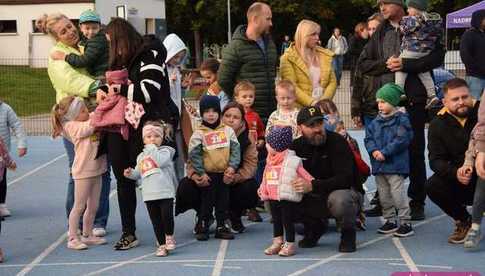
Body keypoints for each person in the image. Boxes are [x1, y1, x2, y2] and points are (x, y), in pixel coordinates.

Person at [358, 0, 445, 220]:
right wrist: (388, 65)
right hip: (386, 100)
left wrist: (406, 65)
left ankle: (417, 201)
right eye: (379, 5)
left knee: (415, 151)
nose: (382, 8)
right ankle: (384, 200)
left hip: (413, 99)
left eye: (386, 3)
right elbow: (364, 63)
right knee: (383, 151)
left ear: (400, 5)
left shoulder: (421, 23)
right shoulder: (381, 30)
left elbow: (437, 58)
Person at [102, 18, 174, 250]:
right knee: (123, 178)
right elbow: (114, 84)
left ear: (120, 39)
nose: (112, 49)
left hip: (147, 126)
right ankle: (128, 232)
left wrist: (118, 89)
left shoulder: (150, 52)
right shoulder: (121, 58)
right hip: (120, 126)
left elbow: (148, 91)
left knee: (154, 176)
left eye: (112, 43)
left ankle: (164, 233)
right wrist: (103, 90)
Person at [36, 13, 111, 237]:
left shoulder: (83, 46)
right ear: (55, 37)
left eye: (70, 27)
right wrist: (97, 86)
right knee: (78, 170)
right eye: (63, 31)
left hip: (94, 112)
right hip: (75, 116)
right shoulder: (57, 55)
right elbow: (70, 81)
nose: (70, 32)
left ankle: (97, 221)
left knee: (102, 169)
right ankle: (75, 221)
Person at [176, 102, 259, 234]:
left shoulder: (247, 137)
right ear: (221, 116)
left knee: (251, 187)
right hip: (208, 178)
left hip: (232, 181)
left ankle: (233, 214)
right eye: (227, 116)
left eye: (236, 117)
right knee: (186, 186)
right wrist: (196, 176)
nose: (231, 120)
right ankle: (204, 216)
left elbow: (251, 164)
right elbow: (193, 158)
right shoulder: (205, 132)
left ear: (242, 120)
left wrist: (235, 177)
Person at [290, 106, 363, 253]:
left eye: (319, 123)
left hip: (344, 193)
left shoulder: (338, 142)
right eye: (311, 125)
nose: (317, 129)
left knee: (340, 200)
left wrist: (313, 186)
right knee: (279, 195)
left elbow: (346, 179)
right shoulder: (295, 147)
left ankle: (348, 234)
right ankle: (315, 228)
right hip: (314, 196)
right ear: (300, 128)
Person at [51, 96, 108, 250]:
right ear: (74, 115)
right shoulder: (71, 126)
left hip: (98, 168)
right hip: (83, 171)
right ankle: (72, 237)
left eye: (86, 109)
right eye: (82, 110)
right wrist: (100, 111)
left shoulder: (86, 118)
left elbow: (95, 115)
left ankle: (87, 234)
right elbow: (88, 128)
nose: (87, 111)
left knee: (94, 205)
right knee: (79, 206)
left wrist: (103, 104)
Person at [426, 78, 478, 244]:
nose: (461, 102)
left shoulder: (481, 114)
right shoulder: (437, 124)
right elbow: (435, 160)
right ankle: (464, 220)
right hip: (462, 179)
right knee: (432, 185)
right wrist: (456, 173)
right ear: (444, 102)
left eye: (465, 97)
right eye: (455, 99)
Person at [188, 95, 240, 241]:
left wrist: (232, 167)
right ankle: (203, 224)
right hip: (208, 175)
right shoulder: (198, 133)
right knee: (207, 202)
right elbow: (194, 155)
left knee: (223, 202)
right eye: (206, 111)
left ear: (219, 113)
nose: (210, 115)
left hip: (224, 174)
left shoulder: (228, 131)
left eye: (214, 111)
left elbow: (236, 150)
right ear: (201, 113)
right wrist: (201, 172)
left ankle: (221, 225)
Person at [365, 83, 414, 237]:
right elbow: (368, 139)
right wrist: (373, 151)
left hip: (395, 166)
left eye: (383, 101)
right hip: (379, 166)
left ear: (393, 102)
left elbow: (402, 139)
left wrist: (384, 152)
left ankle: (405, 221)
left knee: (398, 194)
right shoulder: (375, 122)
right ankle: (390, 220)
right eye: (378, 101)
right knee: (384, 195)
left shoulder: (402, 120)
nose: (379, 105)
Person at [124, 122, 177, 257]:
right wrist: (131, 174)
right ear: (143, 139)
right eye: (148, 137)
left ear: (162, 138)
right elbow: (139, 173)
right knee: (156, 221)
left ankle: (169, 236)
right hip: (149, 194)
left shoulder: (166, 152)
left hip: (165, 192)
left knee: (167, 216)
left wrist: (152, 148)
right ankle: (161, 244)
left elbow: (158, 161)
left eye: (156, 136)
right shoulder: (141, 157)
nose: (152, 139)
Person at [258, 126, 314, 257]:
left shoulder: (292, 161)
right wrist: (262, 188)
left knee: (287, 221)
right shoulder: (270, 161)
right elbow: (265, 176)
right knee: (276, 220)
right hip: (272, 196)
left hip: (286, 197)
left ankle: (289, 243)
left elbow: (304, 174)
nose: (266, 145)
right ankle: (278, 241)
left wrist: (311, 182)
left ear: (277, 146)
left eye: (269, 144)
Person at [218, 2, 277, 119]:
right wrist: (242, 98)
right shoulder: (236, 47)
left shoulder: (269, 43)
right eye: (268, 19)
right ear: (255, 19)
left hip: (271, 112)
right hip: (248, 115)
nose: (271, 23)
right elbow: (223, 79)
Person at [396, 0, 443, 109]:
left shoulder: (413, 19)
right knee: (423, 71)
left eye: (409, 8)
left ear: (416, 8)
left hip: (413, 49)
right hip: (426, 52)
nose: (407, 11)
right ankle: (432, 94)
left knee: (399, 65)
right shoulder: (434, 19)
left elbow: (404, 30)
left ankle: (399, 91)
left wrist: (401, 24)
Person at [280, 20, 337, 107]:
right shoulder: (287, 58)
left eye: (318, 34)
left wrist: (323, 102)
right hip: (298, 112)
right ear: (304, 36)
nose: (317, 38)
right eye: (313, 34)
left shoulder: (324, 55)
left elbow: (332, 82)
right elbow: (291, 86)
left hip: (322, 109)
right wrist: (312, 102)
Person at [234, 81, 265, 222]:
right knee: (241, 178)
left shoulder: (255, 116)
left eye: (251, 96)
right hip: (238, 153)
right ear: (237, 98)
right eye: (244, 96)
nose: (248, 99)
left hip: (253, 154)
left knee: (254, 178)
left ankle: (253, 206)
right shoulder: (233, 116)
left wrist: (261, 140)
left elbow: (260, 131)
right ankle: (240, 208)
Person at [50, 9, 108, 81]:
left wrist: (65, 57)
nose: (91, 32)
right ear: (81, 28)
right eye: (63, 32)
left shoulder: (97, 41)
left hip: (101, 75)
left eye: (94, 28)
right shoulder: (56, 52)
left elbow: (83, 61)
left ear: (100, 27)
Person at [163, 33, 188, 181]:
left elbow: (178, 94)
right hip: (168, 119)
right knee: (169, 155)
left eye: (180, 57)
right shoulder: (163, 70)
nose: (178, 60)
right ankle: (170, 186)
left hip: (177, 119)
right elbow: (165, 93)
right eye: (175, 56)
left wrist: (182, 86)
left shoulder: (176, 70)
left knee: (180, 156)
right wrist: (170, 83)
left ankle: (180, 186)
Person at [0, 100, 27, 217]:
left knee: (1, 178)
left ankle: (1, 204)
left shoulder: (5, 109)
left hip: (2, 152)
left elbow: (17, 125)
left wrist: (22, 144)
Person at [459, 9, 485, 100]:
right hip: (475, 76)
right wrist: (476, 69)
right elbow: (465, 55)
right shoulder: (469, 35)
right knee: (473, 101)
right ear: (479, 19)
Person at [347, 22, 369, 87]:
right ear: (361, 30)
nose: (368, 32)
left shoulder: (366, 39)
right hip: (356, 64)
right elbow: (350, 50)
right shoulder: (354, 38)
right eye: (367, 30)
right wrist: (363, 52)